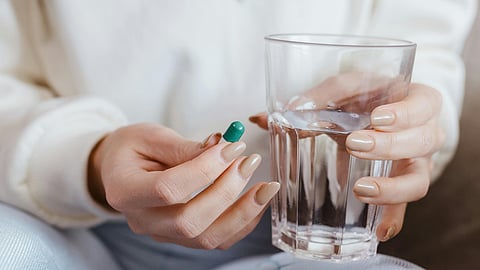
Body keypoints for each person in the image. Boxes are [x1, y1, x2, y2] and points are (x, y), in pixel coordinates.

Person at [0, 0, 476, 269]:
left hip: (298, 246)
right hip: (66, 229)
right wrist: (87, 158)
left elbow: (423, 44)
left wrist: (396, 111)